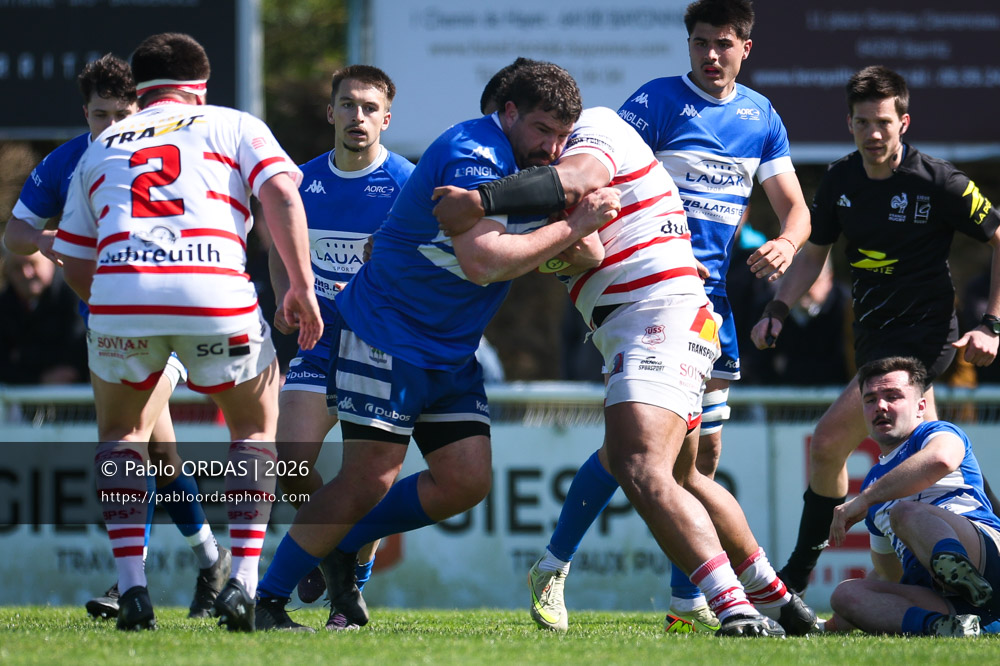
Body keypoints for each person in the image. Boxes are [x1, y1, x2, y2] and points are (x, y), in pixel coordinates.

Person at [434, 87, 816, 635]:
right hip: (638, 323)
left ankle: (729, 605)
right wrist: (565, 230)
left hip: (658, 315)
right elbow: (579, 249)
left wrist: (480, 203)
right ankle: (772, 595)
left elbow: (579, 186)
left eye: (534, 130)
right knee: (677, 474)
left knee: (643, 467)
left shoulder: (596, 128)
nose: (530, 147)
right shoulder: (541, 184)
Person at [252, 60, 618, 632]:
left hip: (449, 351)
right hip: (384, 335)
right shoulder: (470, 152)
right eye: (544, 130)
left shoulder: (530, 169)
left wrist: (564, 226)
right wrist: (567, 229)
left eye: (563, 136)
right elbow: (484, 261)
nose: (553, 147)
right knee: (362, 478)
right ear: (510, 113)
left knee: (465, 481)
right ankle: (267, 601)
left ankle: (345, 543)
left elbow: (591, 253)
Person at [517, 0, 812, 632]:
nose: (710, 54)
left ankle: (692, 600)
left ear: (745, 49)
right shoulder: (653, 104)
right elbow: (601, 186)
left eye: (723, 44)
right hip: (649, 296)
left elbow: (797, 209)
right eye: (700, 42)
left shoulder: (761, 116)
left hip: (713, 307)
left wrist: (786, 243)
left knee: (690, 465)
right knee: (647, 457)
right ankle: (572, 567)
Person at [52, 33, 322, 632]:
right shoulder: (231, 123)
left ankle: (132, 589)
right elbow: (281, 191)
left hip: (122, 296)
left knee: (122, 434)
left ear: (138, 90)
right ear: (200, 86)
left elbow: (70, 257)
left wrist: (115, 307)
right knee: (253, 428)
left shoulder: (101, 145)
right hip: (214, 292)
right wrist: (299, 285)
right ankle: (244, 582)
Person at [751, 65, 1000, 595]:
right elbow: (814, 252)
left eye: (884, 122)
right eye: (863, 123)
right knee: (925, 467)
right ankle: (914, 589)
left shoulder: (939, 181)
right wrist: (777, 307)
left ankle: (795, 578)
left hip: (924, 345)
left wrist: (993, 324)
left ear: (903, 122)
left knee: (829, 446)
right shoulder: (841, 181)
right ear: (850, 124)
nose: (874, 134)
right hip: (873, 343)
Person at [1, 53, 229, 622]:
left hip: (167, 323)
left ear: (142, 107)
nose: (110, 125)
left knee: (127, 440)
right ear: (85, 113)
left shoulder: (175, 152)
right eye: (99, 115)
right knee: (160, 452)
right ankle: (211, 561)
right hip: (113, 329)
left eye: (120, 112)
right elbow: (16, 234)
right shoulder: (71, 160)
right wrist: (63, 243)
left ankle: (129, 583)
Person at [267, 64, 414, 622]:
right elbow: (277, 248)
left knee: (366, 482)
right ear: (331, 112)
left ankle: (349, 579)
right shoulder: (300, 182)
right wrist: (285, 296)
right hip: (319, 341)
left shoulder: (406, 183)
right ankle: (329, 555)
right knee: (293, 462)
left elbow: (437, 261)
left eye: (370, 108)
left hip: (379, 347)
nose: (359, 117)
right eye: (348, 105)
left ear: (386, 118)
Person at [826, 356, 1000, 636]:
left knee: (904, 513)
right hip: (936, 594)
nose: (880, 406)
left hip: (987, 559)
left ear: (921, 407)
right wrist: (842, 617)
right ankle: (946, 627)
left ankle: (964, 576)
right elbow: (888, 572)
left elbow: (942, 459)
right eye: (870, 400)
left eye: (893, 396)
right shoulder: (873, 484)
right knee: (845, 593)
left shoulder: (937, 433)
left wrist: (866, 499)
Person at [0, 249, 88, 385]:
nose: (26, 273)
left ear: (51, 263)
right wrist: (40, 379)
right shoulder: (5, 305)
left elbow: (80, 351)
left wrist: (22, 356)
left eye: (33, 264)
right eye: (17, 268)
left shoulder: (76, 295)